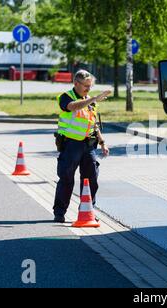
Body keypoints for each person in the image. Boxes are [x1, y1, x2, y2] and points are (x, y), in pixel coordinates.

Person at [53, 70, 111, 223]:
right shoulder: (65, 97)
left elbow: (93, 123)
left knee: (91, 179)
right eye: (85, 86)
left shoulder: (90, 100)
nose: (88, 89)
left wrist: (102, 142)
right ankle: (59, 212)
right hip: (71, 145)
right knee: (66, 179)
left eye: (90, 86)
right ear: (76, 83)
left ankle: (87, 211)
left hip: (88, 145)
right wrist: (92, 99)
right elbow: (72, 107)